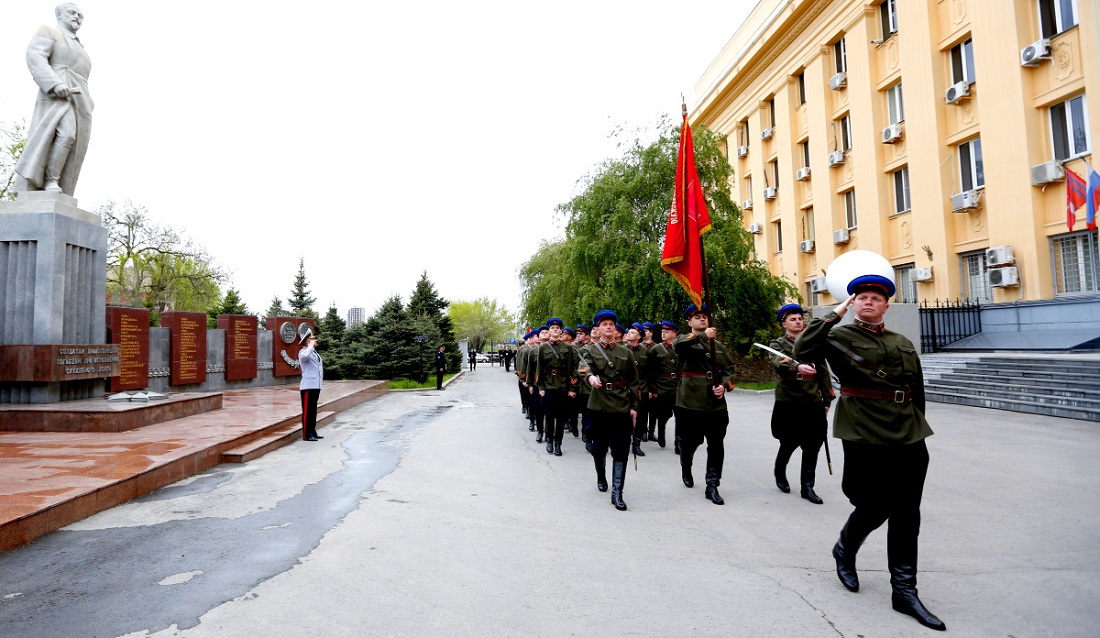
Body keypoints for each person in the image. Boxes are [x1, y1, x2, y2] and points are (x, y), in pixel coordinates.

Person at [795, 274, 946, 631]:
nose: (867, 302)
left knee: (908, 511)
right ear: (853, 303)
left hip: (908, 433)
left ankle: (904, 590)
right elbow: (803, 350)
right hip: (863, 429)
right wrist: (834, 312)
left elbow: (916, 388)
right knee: (873, 502)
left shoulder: (902, 340)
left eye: (875, 298)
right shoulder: (837, 336)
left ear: (886, 305)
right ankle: (845, 549)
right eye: (860, 297)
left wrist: (917, 423)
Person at [14, 4, 93, 196]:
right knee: (66, 134)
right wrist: (54, 84)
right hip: (58, 95)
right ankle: (50, 180)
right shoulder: (49, 32)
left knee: (75, 147)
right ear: (59, 14)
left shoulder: (81, 48)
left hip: (81, 100)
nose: (77, 17)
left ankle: (62, 188)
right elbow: (35, 57)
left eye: (80, 15)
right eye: (72, 13)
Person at [768, 304, 834, 504]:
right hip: (789, 401)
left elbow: (822, 371)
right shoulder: (777, 344)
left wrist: (827, 398)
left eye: (799, 318)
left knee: (814, 444)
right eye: (793, 319)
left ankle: (807, 486)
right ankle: (780, 472)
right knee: (788, 442)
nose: (798, 321)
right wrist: (798, 366)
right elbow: (778, 362)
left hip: (812, 401)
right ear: (784, 324)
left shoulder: (813, 345)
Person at [577, 310, 641, 511]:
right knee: (599, 448)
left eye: (611, 324)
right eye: (604, 324)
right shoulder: (590, 350)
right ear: (598, 328)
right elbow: (583, 367)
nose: (608, 327)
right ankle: (601, 475)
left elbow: (634, 381)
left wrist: (634, 407)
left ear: (615, 329)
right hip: (598, 406)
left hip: (621, 406)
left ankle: (617, 493)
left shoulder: (626, 352)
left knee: (621, 450)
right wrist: (591, 378)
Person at [674, 304, 735, 505]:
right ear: (689, 322)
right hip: (689, 402)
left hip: (715, 404)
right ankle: (686, 463)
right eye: (697, 317)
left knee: (716, 444)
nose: (702, 319)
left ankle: (712, 485)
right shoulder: (685, 341)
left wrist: (724, 384)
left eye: (705, 316)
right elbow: (678, 346)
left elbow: (729, 369)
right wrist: (703, 336)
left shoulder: (719, 347)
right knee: (691, 442)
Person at [534, 318, 578, 456]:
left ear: (560, 331)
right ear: (549, 331)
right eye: (552, 328)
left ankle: (558, 443)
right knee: (549, 415)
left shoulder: (568, 348)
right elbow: (539, 370)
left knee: (561, 418)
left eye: (557, 328)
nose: (555, 330)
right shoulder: (543, 348)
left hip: (563, 387)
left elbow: (572, 369)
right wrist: (540, 387)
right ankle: (549, 441)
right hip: (548, 386)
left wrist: (572, 388)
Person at [647, 320, 680, 450]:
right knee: (663, 414)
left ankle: (678, 443)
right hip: (662, 387)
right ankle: (661, 434)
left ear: (674, 333)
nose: (663, 334)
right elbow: (650, 371)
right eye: (662, 332)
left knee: (680, 416)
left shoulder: (680, 348)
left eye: (666, 332)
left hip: (678, 386)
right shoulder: (656, 349)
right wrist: (653, 388)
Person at [298, 331, 324, 441]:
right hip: (308, 386)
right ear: (308, 342)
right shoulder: (303, 352)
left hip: (316, 385)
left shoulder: (314, 353)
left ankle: (312, 431)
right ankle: (306, 434)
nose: (316, 341)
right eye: (313, 340)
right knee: (307, 411)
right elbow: (304, 357)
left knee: (313, 410)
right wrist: (310, 347)